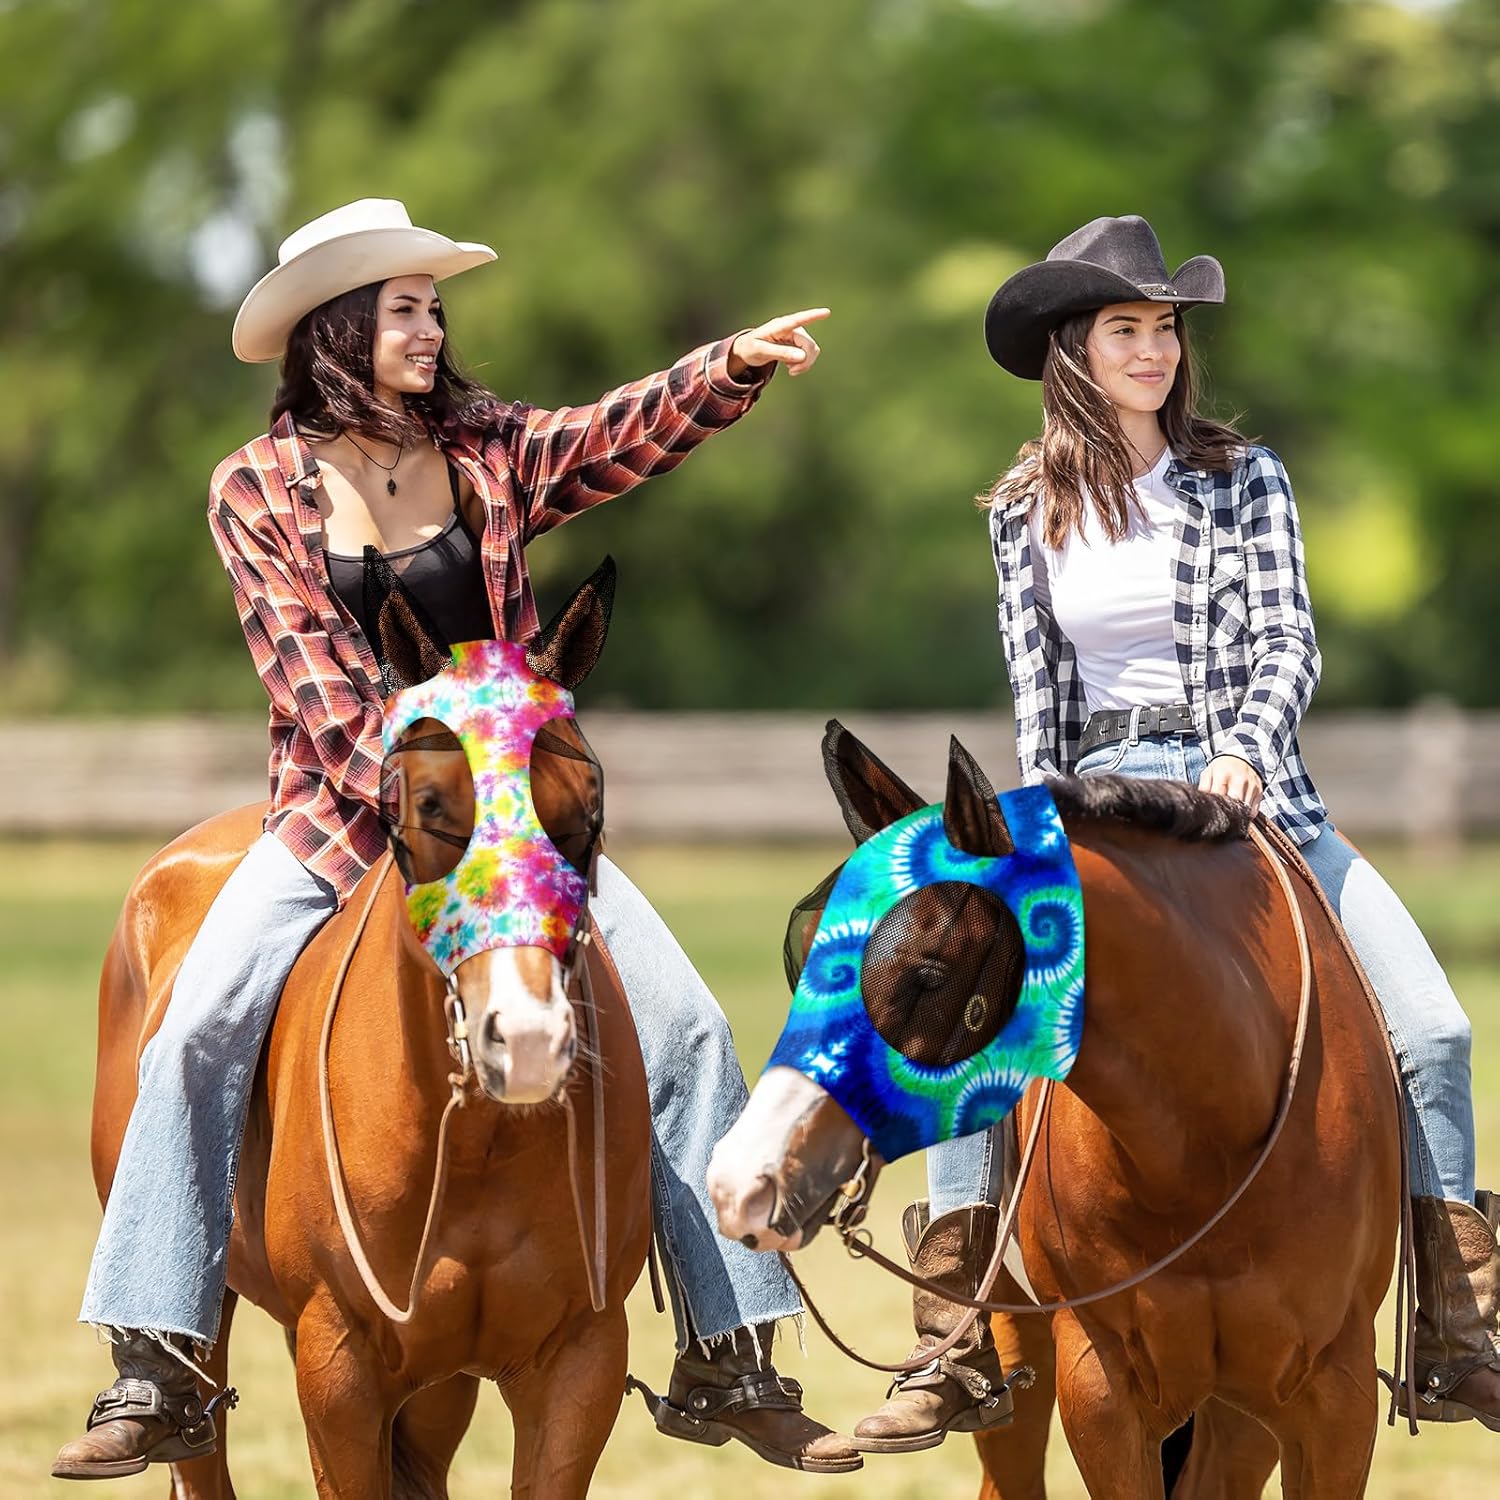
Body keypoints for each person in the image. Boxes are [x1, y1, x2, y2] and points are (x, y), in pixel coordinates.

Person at [53, 198, 860, 1480]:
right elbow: (316, 685)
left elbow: (611, 436)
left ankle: (732, 1348)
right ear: (337, 328)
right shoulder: (254, 487)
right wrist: (432, 796)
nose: (430, 330)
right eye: (404, 310)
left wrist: (728, 369)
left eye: (434, 309)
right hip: (336, 822)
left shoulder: (487, 452)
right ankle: (161, 1358)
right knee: (196, 1028)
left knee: (693, 1027)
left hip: (515, 824)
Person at [852, 214, 1499, 1451]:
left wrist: (1244, 748)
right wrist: (1032, 832)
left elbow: (1290, 638)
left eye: (1164, 329)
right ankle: (954, 1335)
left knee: (1433, 1028)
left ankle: (1455, 1329)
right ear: (1074, 349)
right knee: (967, 1021)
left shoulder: (1243, 476)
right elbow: (1037, 690)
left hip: (1247, 788)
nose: (1153, 351)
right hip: (1088, 803)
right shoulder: (1022, 507)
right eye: (1126, 329)